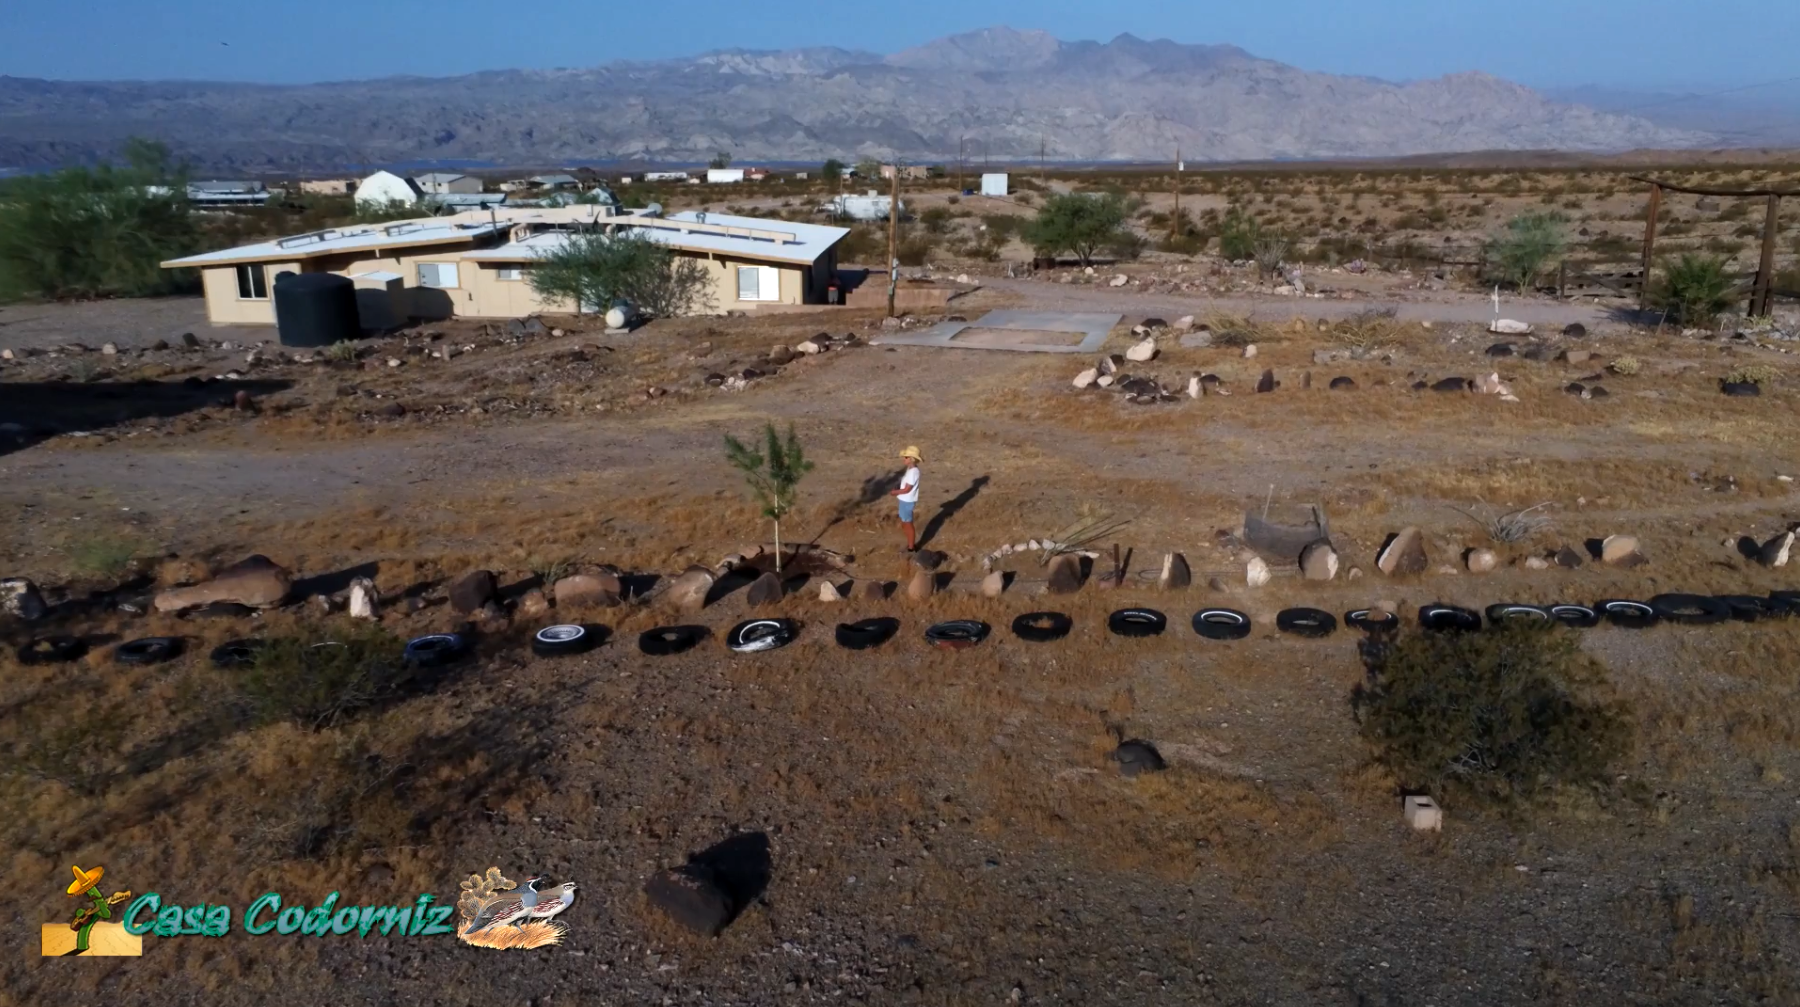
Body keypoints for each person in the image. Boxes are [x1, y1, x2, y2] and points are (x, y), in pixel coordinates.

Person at [891, 446, 922, 552]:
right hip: (904, 500)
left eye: (906, 457)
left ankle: (911, 548)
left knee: (908, 524)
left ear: (911, 459)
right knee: (905, 522)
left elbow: (907, 489)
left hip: (907, 501)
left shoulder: (913, 472)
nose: (904, 459)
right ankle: (910, 544)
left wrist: (895, 492)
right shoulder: (910, 469)